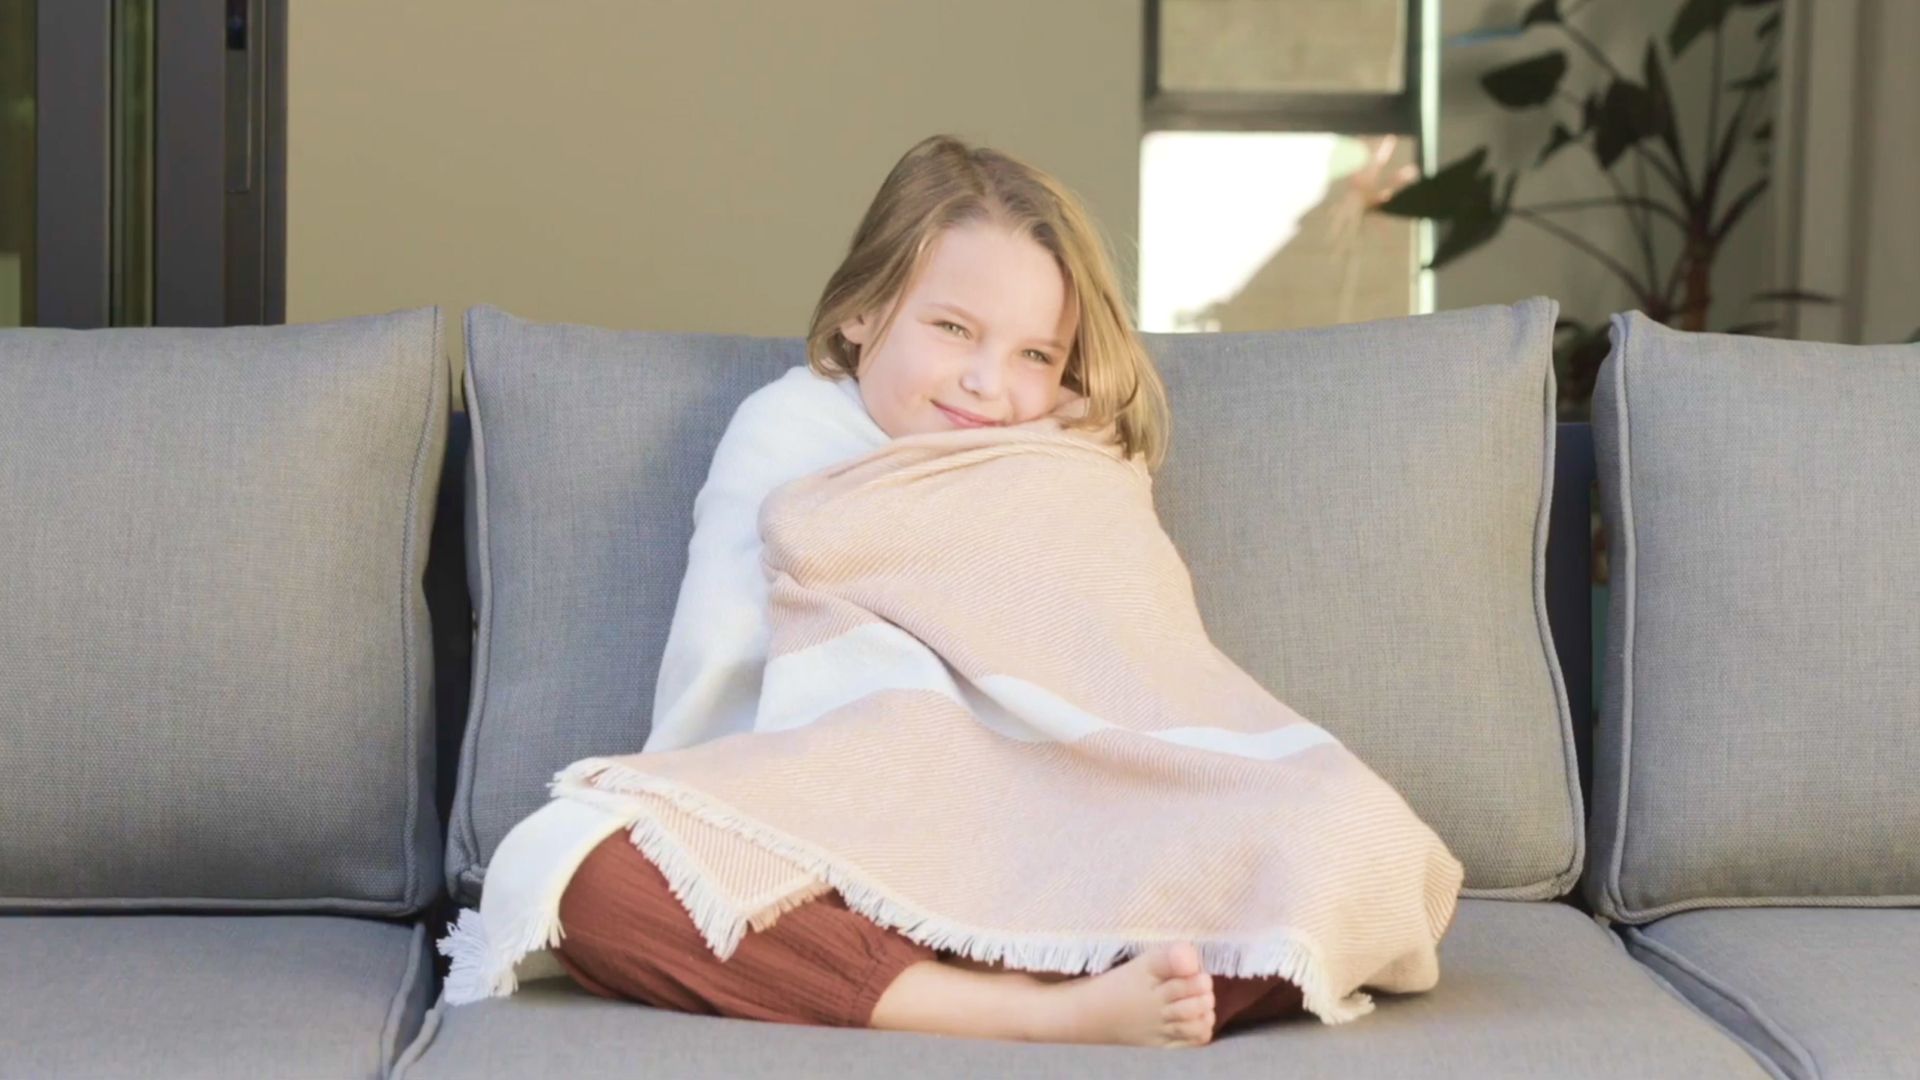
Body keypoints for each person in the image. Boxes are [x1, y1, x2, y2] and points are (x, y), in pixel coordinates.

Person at [549, 134, 1305, 1048]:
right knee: (586, 878)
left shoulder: (1068, 461)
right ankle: (1025, 1010)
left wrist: (1042, 469)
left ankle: (1031, 959)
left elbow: (1127, 674)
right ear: (863, 312)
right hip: (820, 849)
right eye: (953, 330)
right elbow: (724, 696)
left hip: (1031, 839)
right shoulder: (788, 432)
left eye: (1035, 355)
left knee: (1320, 869)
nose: (989, 384)